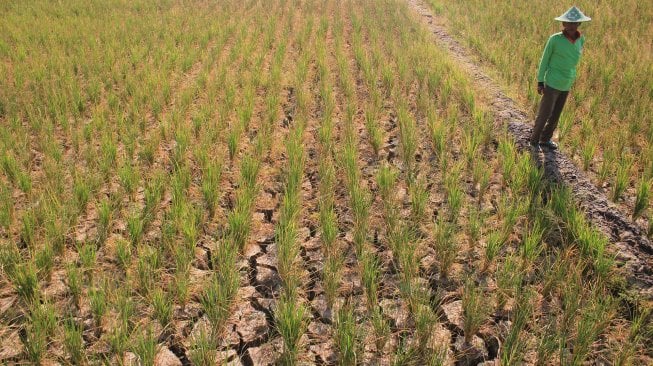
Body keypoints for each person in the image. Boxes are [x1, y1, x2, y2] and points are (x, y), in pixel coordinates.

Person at [530, 6, 591, 151]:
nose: (571, 26)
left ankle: (545, 139)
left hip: (567, 83)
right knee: (544, 114)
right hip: (552, 82)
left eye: (575, 23)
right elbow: (544, 60)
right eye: (568, 23)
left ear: (579, 24)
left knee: (556, 115)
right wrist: (540, 81)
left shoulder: (581, 39)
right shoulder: (555, 39)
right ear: (563, 24)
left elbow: (574, 61)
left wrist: (572, 77)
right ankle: (534, 141)